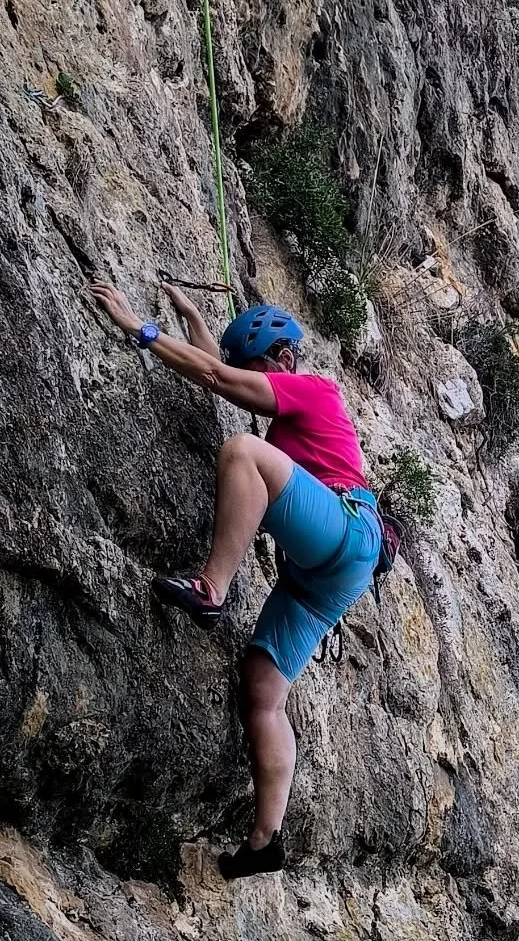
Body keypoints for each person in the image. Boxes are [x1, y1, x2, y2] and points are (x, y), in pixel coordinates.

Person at [89, 281, 381, 879]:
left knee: (242, 451)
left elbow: (222, 380)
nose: (258, 382)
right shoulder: (292, 418)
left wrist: (138, 327)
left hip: (346, 527)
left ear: (281, 361)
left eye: (261, 371)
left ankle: (211, 587)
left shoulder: (313, 389)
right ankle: (265, 838)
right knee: (263, 690)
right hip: (328, 570)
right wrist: (193, 316)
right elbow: (220, 373)